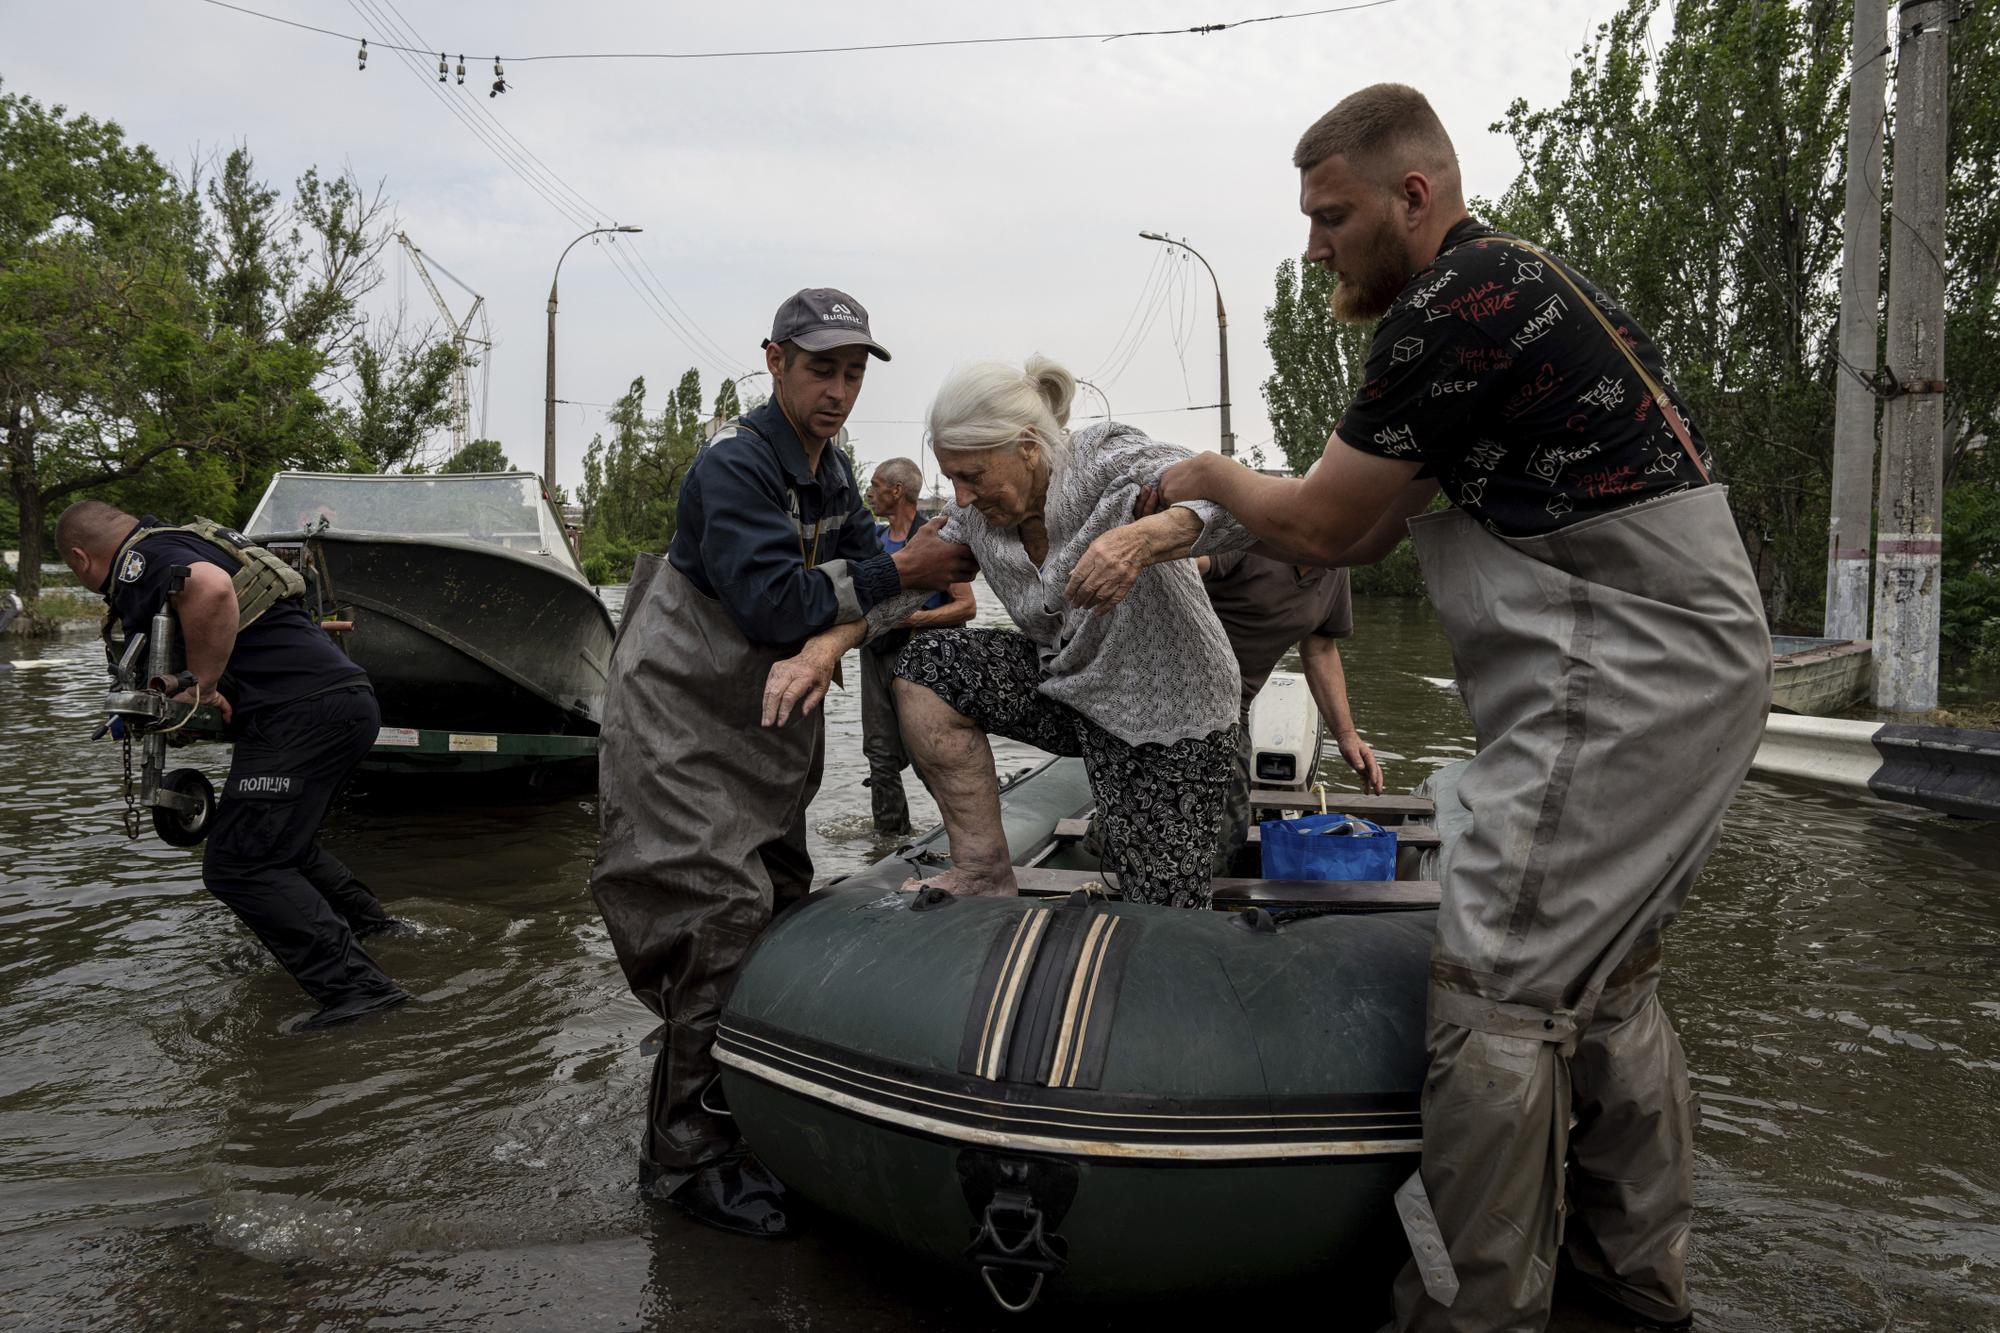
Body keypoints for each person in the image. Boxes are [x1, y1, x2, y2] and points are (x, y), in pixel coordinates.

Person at [1141, 85, 1770, 1332]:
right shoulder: (1508, 288)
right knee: (1608, 976)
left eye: (1331, 217)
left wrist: (1203, 476)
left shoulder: (1449, 308)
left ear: (1411, 196)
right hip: (1686, 663)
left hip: (1623, 673)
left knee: (1492, 988)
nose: (1313, 246)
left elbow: (1318, 523)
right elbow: (1369, 531)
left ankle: (1475, 1313)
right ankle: (1628, 1290)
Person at [589, 288, 974, 1238]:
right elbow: (773, 603)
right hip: (679, 724)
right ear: (774, 360)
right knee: (713, 917)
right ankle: (681, 1162)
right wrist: (895, 575)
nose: (838, 388)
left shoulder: (834, 472)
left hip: (761, 725)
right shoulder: (733, 466)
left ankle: (743, 1110)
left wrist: (840, 628)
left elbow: (839, 601)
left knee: (780, 897)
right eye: (820, 368)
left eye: (852, 372)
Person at [763, 355, 1247, 910]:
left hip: (1171, 711)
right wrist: (822, 649)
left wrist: (1143, 539)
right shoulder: (976, 521)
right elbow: (900, 594)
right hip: (1072, 694)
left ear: (1027, 445)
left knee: (1161, 910)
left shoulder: (1104, 457)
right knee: (929, 666)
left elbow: (1237, 504)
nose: (961, 498)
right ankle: (982, 869)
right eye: (951, 479)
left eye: (972, 476)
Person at [55, 499, 409, 1032]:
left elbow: (212, 590)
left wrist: (204, 679)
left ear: (81, 559)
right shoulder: (181, 537)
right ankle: (371, 928)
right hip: (334, 702)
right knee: (277, 843)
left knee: (239, 864)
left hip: (302, 713)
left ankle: (360, 991)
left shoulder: (141, 562)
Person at [1200, 550, 1382, 867]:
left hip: (1230, 709)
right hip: (1166, 692)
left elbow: (1321, 648)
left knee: (1226, 836)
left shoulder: (1336, 566)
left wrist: (1347, 734)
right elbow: (1187, 561)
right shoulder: (1251, 532)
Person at [859, 456, 975, 834]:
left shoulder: (933, 539)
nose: (870, 492)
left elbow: (966, 606)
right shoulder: (874, 540)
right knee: (879, 754)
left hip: (918, 659)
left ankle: (965, 833)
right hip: (873, 654)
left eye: (876, 485)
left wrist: (914, 618)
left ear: (897, 491)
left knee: (924, 754)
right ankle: (889, 839)